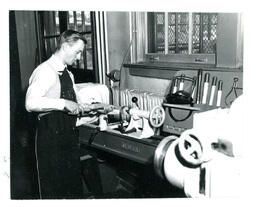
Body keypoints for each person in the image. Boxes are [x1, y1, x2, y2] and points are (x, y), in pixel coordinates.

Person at [25, 30, 94, 199]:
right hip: (50, 141)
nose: (78, 58)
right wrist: (63, 104)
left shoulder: (68, 73)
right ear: (64, 46)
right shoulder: (45, 71)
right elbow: (30, 103)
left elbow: (72, 103)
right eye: (77, 52)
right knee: (53, 190)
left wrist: (84, 107)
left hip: (68, 138)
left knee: (72, 187)